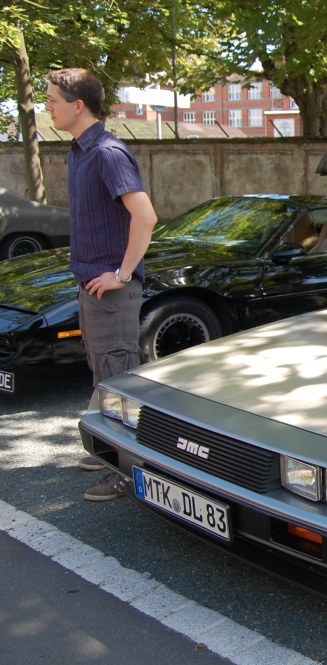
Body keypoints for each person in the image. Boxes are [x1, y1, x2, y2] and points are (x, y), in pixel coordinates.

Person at [46, 68, 158, 502]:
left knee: (118, 378)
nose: (48, 107)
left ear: (78, 106)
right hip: (92, 286)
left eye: (53, 100)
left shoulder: (108, 153)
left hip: (112, 289)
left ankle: (123, 470)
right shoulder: (79, 152)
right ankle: (107, 448)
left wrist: (122, 274)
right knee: (103, 373)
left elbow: (145, 217)